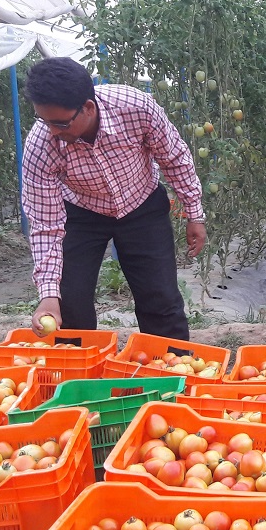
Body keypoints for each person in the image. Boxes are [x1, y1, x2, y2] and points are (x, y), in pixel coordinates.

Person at [21, 57, 207, 341]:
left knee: (160, 298)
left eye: (60, 123)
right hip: (81, 212)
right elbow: (45, 224)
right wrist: (48, 295)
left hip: (141, 205)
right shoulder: (41, 145)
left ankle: (172, 362)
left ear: (88, 108)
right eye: (44, 121)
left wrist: (194, 214)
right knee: (69, 304)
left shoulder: (136, 108)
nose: (53, 132)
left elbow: (174, 158)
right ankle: (76, 365)